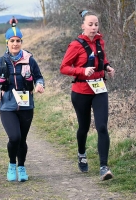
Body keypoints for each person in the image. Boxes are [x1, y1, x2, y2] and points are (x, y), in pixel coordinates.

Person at [60, 10, 115, 181]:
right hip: (81, 92)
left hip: (99, 90)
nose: (93, 27)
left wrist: (107, 67)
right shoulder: (75, 45)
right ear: (82, 26)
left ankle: (104, 167)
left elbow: (102, 59)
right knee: (83, 127)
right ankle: (82, 154)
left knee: (102, 127)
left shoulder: (100, 42)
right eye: (90, 24)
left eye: (96, 24)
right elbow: (64, 67)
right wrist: (82, 70)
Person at [0, 27, 45, 182]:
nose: (15, 44)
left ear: (21, 42)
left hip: (26, 106)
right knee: (14, 137)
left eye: (18, 41)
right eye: (12, 41)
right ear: (7, 42)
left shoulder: (30, 61)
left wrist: (40, 85)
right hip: (7, 106)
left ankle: (21, 167)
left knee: (22, 139)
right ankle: (11, 164)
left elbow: (39, 77)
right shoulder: (0, 62)